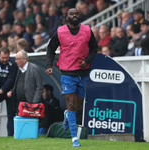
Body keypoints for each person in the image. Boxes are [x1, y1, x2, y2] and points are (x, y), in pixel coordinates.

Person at [45, 8, 97, 147]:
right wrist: (49, 65)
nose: (74, 16)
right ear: (67, 17)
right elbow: (50, 49)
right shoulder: (60, 31)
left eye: (76, 14)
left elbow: (94, 49)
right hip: (67, 72)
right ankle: (74, 138)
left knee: (78, 106)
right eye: (71, 14)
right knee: (71, 104)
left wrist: (87, 60)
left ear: (79, 16)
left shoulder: (87, 30)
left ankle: (68, 114)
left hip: (83, 72)